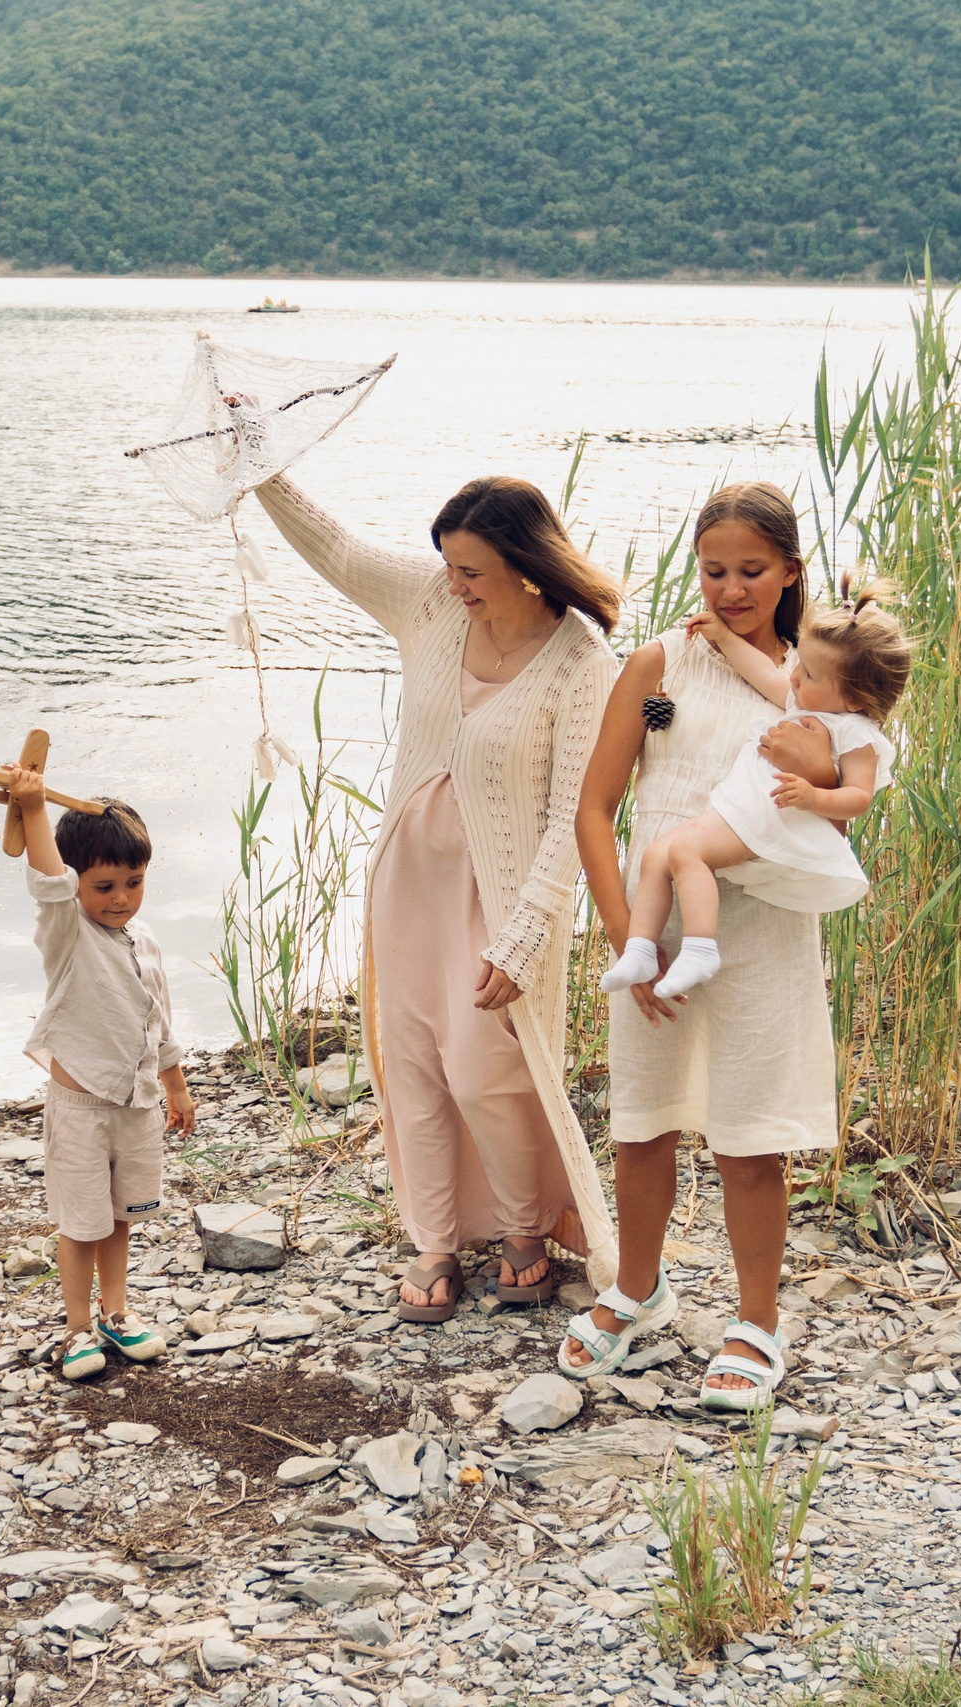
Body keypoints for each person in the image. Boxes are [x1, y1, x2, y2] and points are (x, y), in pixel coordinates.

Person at [252, 473, 619, 1321]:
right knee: (413, 1060)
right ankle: (436, 1239)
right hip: (408, 881)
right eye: (449, 566)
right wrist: (262, 465)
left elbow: (576, 817)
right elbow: (336, 549)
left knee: (490, 1070)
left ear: (528, 567)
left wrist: (527, 935)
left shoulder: (581, 665)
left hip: (506, 901)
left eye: (472, 571)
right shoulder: (431, 605)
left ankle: (528, 1229)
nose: (455, 584)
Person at [566, 482, 847, 1403]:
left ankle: (757, 1320)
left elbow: (846, 785)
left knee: (746, 1133)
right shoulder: (659, 664)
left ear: (791, 572)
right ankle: (637, 1289)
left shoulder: (815, 680)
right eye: (715, 570)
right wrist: (625, 937)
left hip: (760, 931)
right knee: (642, 1119)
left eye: (752, 571)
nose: (729, 589)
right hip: (656, 929)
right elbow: (595, 809)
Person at [597, 591, 911, 999]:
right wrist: (725, 639)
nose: (795, 677)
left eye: (810, 674)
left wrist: (814, 796)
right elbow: (763, 672)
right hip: (742, 807)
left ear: (852, 698)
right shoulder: (803, 702)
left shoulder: (855, 734)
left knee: (686, 853)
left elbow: (859, 796)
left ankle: (700, 947)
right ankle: (639, 948)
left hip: (774, 816)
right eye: (799, 666)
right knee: (657, 855)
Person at [0, 768, 197, 1380]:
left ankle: (117, 1312)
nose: (120, 898)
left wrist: (176, 1085)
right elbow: (50, 883)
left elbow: (157, 1017)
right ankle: (77, 1329)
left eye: (133, 883)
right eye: (104, 885)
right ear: (81, 883)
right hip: (82, 1110)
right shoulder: (69, 934)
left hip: (135, 1107)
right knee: (81, 1222)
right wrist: (31, 808)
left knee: (121, 1217)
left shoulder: (144, 940)